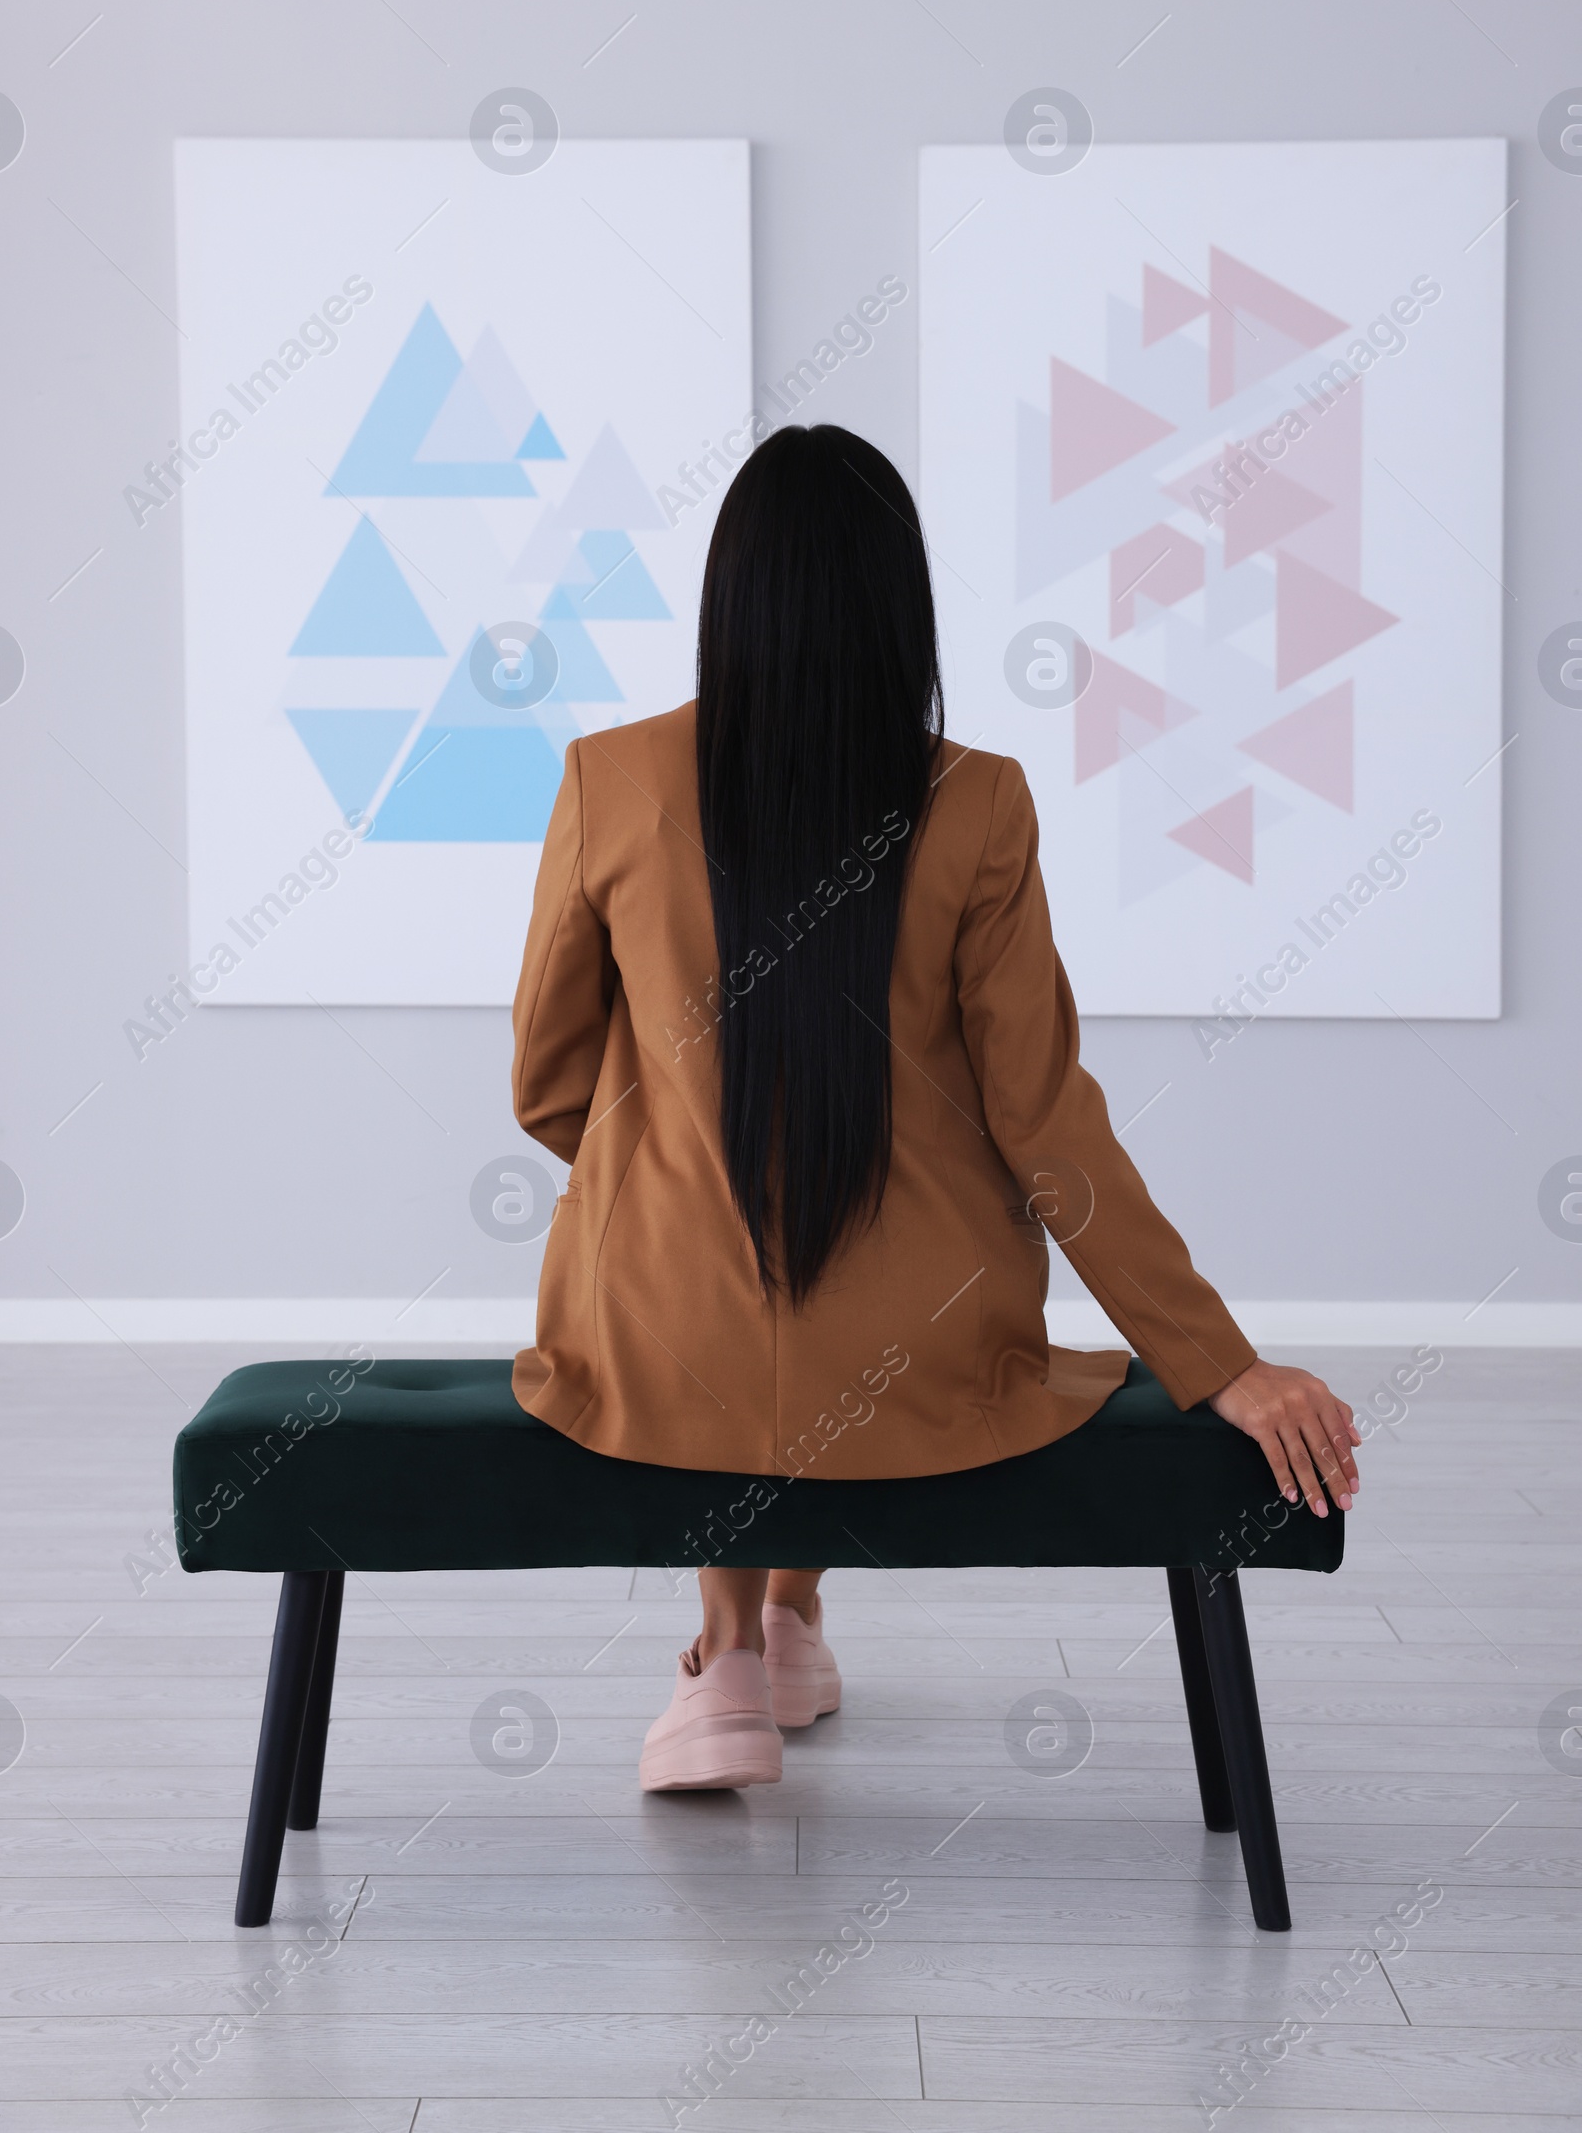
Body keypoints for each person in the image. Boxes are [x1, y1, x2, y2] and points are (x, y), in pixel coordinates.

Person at [510, 422, 1359, 1793]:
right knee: (849, 1260)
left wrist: (660, 1158)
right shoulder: (980, 803)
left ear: (731, 599)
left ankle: (729, 1660)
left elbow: (547, 1078)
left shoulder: (610, 779)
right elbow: (1047, 1123)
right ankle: (791, 1616)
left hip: (655, 1339)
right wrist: (1220, 1362)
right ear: (900, 607)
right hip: (920, 1353)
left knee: (712, 1264)